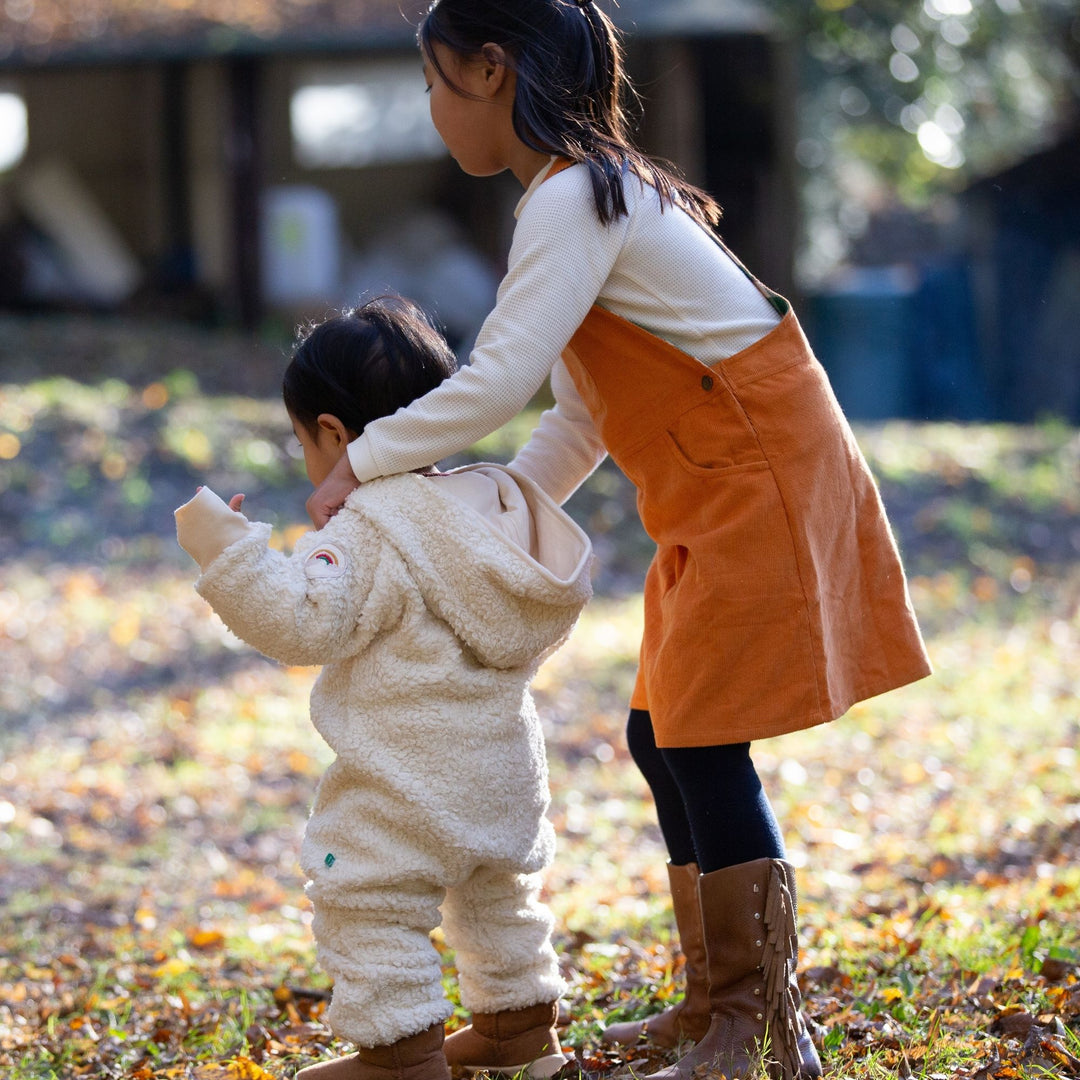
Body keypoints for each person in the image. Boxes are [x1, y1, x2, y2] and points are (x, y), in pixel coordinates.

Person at [306, 3, 933, 1078]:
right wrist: (500, 508)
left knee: (699, 736)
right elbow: (582, 413)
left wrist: (359, 464)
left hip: (758, 473)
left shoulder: (574, 203)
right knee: (663, 731)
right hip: (718, 486)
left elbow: (496, 380)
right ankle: (714, 1003)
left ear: (492, 72)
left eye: (435, 82)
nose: (432, 108)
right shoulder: (586, 199)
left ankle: (757, 1022)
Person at [174, 296, 593, 1080]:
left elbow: (305, 622)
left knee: (367, 904)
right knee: (497, 898)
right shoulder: (486, 504)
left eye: (304, 440)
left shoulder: (371, 525)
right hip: (502, 774)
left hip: (403, 781)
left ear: (333, 433)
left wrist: (227, 553)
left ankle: (401, 1056)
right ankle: (521, 1033)